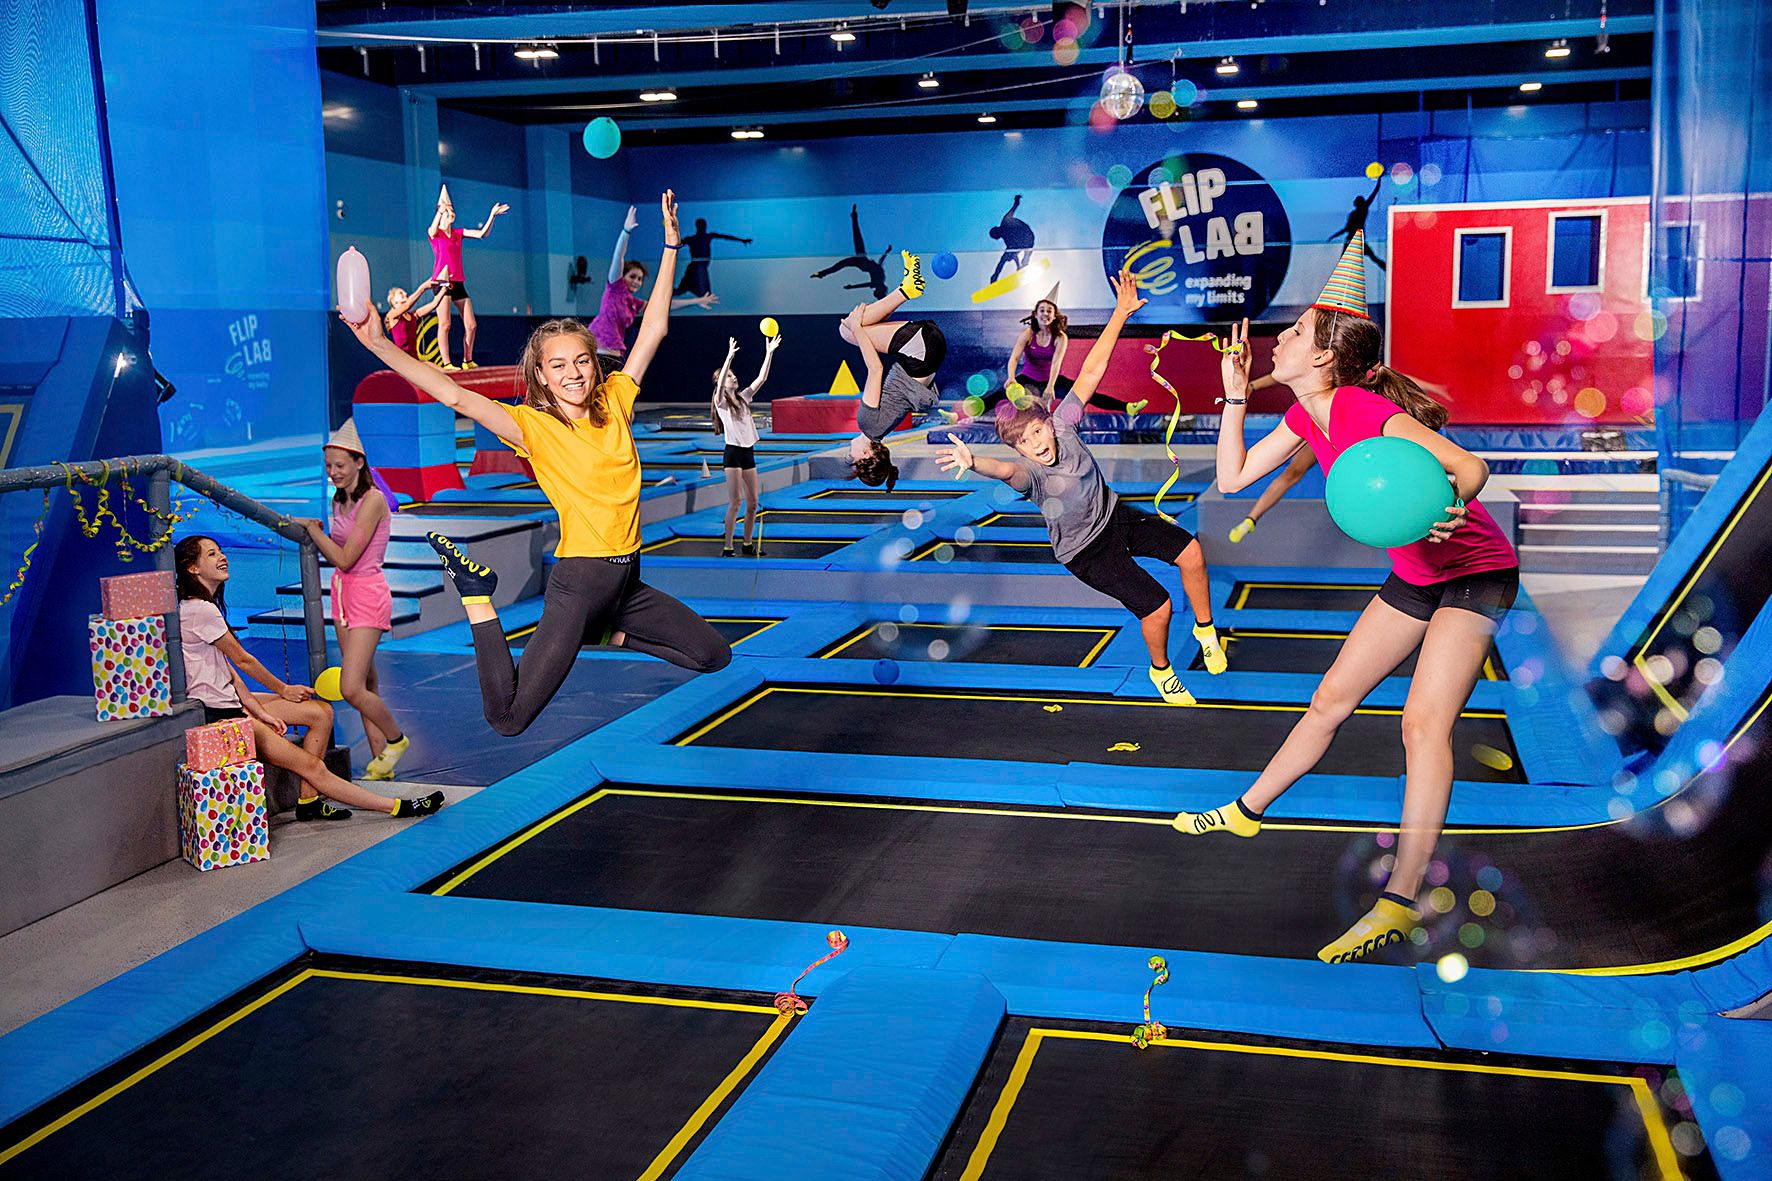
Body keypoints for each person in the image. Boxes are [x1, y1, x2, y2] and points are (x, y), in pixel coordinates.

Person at [1170, 231, 1519, 964]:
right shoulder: (1305, 417)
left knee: (1423, 724)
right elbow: (1231, 478)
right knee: (1331, 697)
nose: (1279, 340)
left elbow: (1469, 464)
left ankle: (1399, 899)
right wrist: (1234, 398)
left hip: (1476, 569)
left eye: (1293, 333)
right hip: (1419, 576)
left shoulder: (1362, 410)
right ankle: (1247, 810)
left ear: (1324, 356)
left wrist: (1454, 502)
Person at [342, 190, 731, 737]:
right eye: (559, 366)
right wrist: (381, 344)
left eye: (581, 361)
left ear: (595, 365)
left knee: (713, 655)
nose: (574, 373)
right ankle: (477, 594)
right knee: (507, 716)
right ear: (542, 377)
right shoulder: (535, 428)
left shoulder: (617, 397)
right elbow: (454, 396)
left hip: (628, 581)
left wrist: (671, 246)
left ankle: (607, 633)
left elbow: (655, 329)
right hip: (582, 581)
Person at [936, 268, 1227, 702]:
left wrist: (1120, 314)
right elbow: (1005, 471)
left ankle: (1206, 631)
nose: (1038, 444)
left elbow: (1091, 371)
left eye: (1039, 432)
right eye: (1027, 443)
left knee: (1192, 552)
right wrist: (973, 460)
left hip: (1115, 515)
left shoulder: (1064, 425)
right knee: (1159, 605)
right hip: (1086, 551)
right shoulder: (1031, 474)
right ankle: (1161, 672)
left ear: (1048, 424)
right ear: (1020, 449)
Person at [174, 536, 442, 820]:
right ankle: (396, 808)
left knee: (320, 712)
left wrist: (256, 708)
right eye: (212, 554)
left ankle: (309, 801)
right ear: (192, 568)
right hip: (221, 714)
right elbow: (243, 660)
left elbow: (230, 672)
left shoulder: (206, 607)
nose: (222, 557)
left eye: (221, 550)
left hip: (231, 702)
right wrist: (282, 689)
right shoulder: (199, 610)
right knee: (313, 767)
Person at [299, 420, 411, 781]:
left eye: (340, 466)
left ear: (359, 463)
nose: (333, 473)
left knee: (350, 688)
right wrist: (320, 526)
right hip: (343, 597)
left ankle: (396, 740)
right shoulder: (339, 500)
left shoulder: (373, 499)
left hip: (366, 595)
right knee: (365, 685)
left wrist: (313, 531)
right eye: (329, 466)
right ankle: (383, 761)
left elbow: (346, 558)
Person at [840, 251, 937, 489]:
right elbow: (875, 369)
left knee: (855, 327)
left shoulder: (880, 430)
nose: (849, 454)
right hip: (920, 352)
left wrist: (858, 326)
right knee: (849, 329)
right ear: (866, 455)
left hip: (928, 353)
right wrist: (857, 327)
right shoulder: (868, 424)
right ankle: (906, 290)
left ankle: (906, 289)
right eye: (853, 460)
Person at [590, 205, 717, 373]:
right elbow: (618, 256)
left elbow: (664, 305)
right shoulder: (614, 287)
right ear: (623, 276)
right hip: (595, 354)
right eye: (633, 276)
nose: (636, 281)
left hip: (615, 357)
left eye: (640, 279)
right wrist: (626, 232)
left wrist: (697, 300)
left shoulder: (633, 303)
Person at [711, 331, 782, 557]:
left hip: (747, 453)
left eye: (732, 375)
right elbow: (721, 382)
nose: (733, 378)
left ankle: (748, 544)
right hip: (732, 455)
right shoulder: (720, 401)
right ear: (721, 382)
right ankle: (728, 546)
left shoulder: (743, 398)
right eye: (729, 376)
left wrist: (769, 353)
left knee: (753, 503)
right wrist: (729, 359)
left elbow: (762, 378)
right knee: (736, 502)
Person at [427, 186, 510, 370]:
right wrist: (440, 212)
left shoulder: (458, 233)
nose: (452, 214)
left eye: (452, 211)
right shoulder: (436, 234)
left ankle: (467, 360)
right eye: (449, 211)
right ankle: (447, 363)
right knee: (445, 324)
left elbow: (482, 234)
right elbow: (432, 228)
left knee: (471, 325)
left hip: (458, 282)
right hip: (441, 282)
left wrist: (492, 215)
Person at [1225, 375, 1300, 542]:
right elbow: (1229, 483)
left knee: (1292, 474)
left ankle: (1251, 519)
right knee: (1292, 473)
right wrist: (1250, 387)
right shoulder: (1302, 416)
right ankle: (1250, 519)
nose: (1278, 349)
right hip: (1312, 421)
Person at [811, 204, 893, 300]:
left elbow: (878, 266)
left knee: (855, 243)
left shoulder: (879, 281)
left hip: (863, 263)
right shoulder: (878, 282)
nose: (874, 290)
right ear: (879, 289)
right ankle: (821, 274)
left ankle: (854, 216)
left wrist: (852, 287)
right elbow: (880, 263)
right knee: (853, 246)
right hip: (863, 263)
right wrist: (886, 252)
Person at [674, 216, 752, 299]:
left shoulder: (705, 237)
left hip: (699, 267)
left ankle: (689, 287)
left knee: (699, 294)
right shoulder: (692, 239)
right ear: (698, 226)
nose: (702, 227)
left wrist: (742, 240)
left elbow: (726, 237)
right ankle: (666, 293)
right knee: (705, 295)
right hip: (696, 267)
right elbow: (677, 244)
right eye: (701, 226)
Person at [384, 278, 444, 359]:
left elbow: (434, 304)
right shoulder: (392, 315)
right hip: (403, 360)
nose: (405, 293)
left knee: (441, 370)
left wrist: (445, 287)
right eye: (401, 293)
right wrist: (423, 287)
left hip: (415, 360)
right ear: (393, 301)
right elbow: (407, 305)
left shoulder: (413, 315)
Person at [987, 194, 1037, 283]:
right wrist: (1018, 266)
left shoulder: (1005, 222)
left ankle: (1023, 264)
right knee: (1009, 256)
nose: (998, 238)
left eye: (996, 237)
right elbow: (1013, 253)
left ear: (997, 232)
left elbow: (1013, 209)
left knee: (1007, 257)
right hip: (1026, 241)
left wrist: (1016, 201)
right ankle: (1022, 266)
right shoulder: (1008, 240)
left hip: (1027, 237)